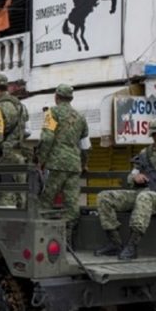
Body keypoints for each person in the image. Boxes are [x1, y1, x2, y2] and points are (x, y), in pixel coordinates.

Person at [95, 117, 156, 260]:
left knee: (144, 198)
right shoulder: (144, 154)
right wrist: (136, 178)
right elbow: (132, 175)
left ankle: (132, 245)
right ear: (153, 136)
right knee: (104, 197)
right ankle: (115, 242)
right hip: (143, 192)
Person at [36, 84, 90, 246]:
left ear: (56, 97)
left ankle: (44, 239)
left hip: (55, 164)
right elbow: (86, 145)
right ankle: (68, 240)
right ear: (71, 98)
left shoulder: (51, 113)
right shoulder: (80, 117)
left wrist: (41, 160)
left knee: (46, 200)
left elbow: (46, 139)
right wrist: (84, 163)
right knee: (72, 203)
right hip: (74, 165)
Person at [0, 73, 29, 208]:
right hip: (19, 156)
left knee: (5, 201)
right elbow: (27, 131)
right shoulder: (20, 105)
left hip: (5, 160)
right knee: (20, 200)